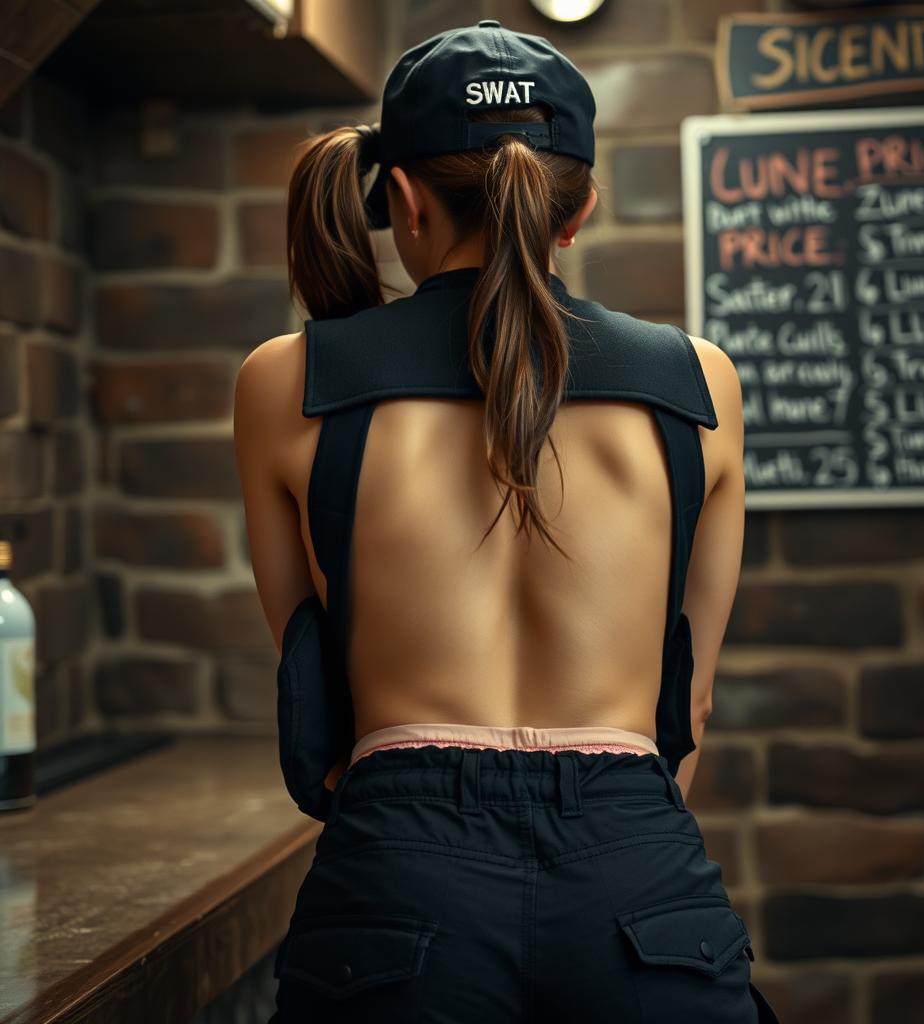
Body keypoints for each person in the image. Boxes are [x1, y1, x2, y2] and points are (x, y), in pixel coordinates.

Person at [233, 18, 779, 1024]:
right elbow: (683, 711)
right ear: (579, 213)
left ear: (397, 198)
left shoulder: (287, 384)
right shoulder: (700, 387)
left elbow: (319, 692)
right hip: (638, 887)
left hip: (401, 888)